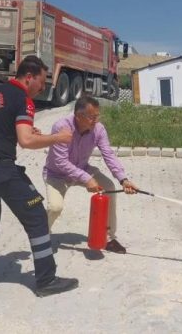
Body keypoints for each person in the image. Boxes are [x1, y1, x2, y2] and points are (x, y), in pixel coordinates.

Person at [0, 55, 78, 297]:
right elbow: (26, 141)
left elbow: (0, 128)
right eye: (42, 80)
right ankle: (46, 280)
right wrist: (57, 138)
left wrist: (22, 131)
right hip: (0, 171)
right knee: (37, 216)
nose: (45, 86)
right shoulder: (24, 100)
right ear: (29, 77)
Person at [43, 96, 139, 254]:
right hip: (56, 174)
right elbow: (61, 162)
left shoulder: (99, 129)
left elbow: (108, 154)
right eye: (92, 117)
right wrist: (87, 179)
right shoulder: (62, 127)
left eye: (97, 116)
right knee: (55, 207)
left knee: (109, 187)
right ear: (78, 116)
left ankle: (108, 239)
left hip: (82, 167)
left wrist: (123, 179)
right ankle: (41, 236)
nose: (95, 121)